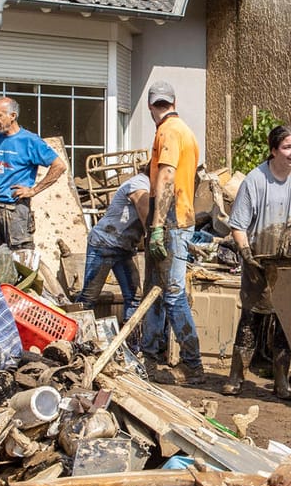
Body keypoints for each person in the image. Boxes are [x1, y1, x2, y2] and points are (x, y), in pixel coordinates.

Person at [223, 125, 291, 398]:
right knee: (250, 319)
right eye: (288, 147)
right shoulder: (256, 180)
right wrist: (245, 254)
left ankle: (281, 381)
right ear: (273, 151)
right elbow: (238, 225)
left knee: (285, 321)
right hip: (259, 260)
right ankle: (236, 377)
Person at [140, 81, 205, 385]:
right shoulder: (186, 131)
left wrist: (155, 226)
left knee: (172, 293)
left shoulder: (167, 131)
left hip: (170, 222)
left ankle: (192, 364)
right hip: (179, 217)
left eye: (158, 106)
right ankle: (150, 354)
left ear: (152, 106)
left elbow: (167, 177)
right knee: (154, 289)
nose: (159, 110)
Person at [0, 97, 67, 250]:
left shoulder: (29, 141)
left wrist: (33, 190)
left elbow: (59, 166)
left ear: (13, 116)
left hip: (15, 210)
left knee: (20, 257)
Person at [76, 168, 150, 322]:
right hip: (104, 244)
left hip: (124, 248)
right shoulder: (139, 184)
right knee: (89, 298)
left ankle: (131, 341)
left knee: (134, 296)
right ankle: (74, 337)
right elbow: (147, 216)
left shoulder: (150, 186)